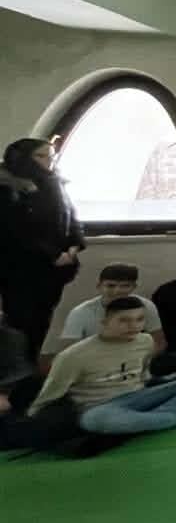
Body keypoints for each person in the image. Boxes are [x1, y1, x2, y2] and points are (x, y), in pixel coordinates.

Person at [29, 295, 176, 436]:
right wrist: (34, 417)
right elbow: (51, 391)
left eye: (139, 320)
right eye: (124, 320)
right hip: (101, 406)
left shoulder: (145, 340)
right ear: (105, 322)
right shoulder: (73, 355)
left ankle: (155, 417)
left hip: (141, 395)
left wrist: (161, 384)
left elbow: (144, 372)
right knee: (95, 421)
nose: (134, 326)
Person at [0, 137, 85, 363]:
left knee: (42, 319)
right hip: (21, 268)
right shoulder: (7, 185)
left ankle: (30, 364)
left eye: (51, 156)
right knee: (21, 322)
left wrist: (74, 246)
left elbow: (71, 217)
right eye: (41, 156)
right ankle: (17, 370)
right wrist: (53, 254)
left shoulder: (54, 182)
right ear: (22, 158)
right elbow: (13, 229)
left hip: (55, 268)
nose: (49, 161)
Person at [59, 263, 166, 356]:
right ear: (99, 286)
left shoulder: (146, 306)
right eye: (111, 286)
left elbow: (159, 342)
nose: (117, 291)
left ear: (134, 287)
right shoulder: (80, 312)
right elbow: (68, 351)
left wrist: (139, 361)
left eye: (125, 286)